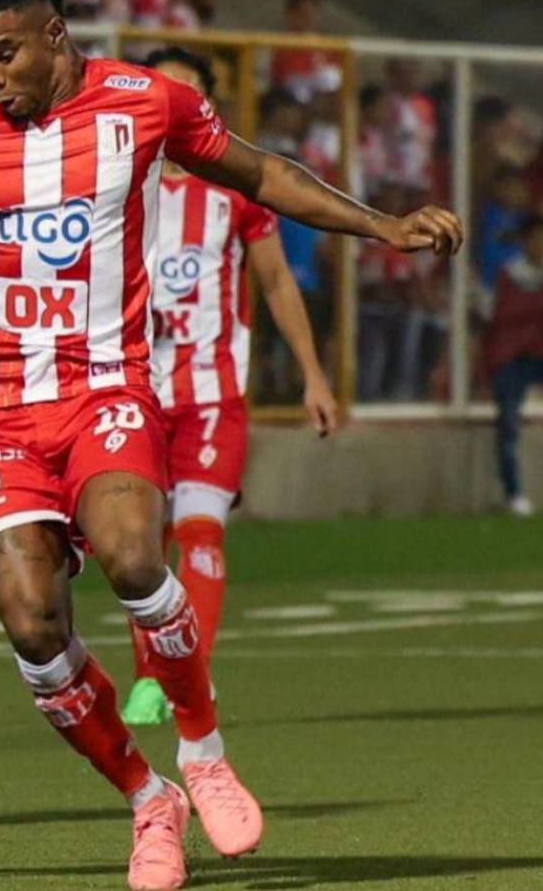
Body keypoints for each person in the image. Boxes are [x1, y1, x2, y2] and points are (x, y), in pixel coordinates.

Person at [0, 0, 461, 889]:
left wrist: (385, 227)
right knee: (34, 624)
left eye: (1, 56)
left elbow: (262, 175)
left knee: (132, 554)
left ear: (53, 35)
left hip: (108, 386)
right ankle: (147, 796)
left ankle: (202, 747)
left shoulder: (144, 103)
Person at [120, 47, 338, 726]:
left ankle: (190, 679)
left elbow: (275, 281)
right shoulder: (116, 182)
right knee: (139, 547)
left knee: (200, 531)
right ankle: (150, 677)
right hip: (131, 394)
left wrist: (312, 375)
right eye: (163, 93)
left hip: (212, 394)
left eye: (188, 95)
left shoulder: (236, 190)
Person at [483, 214, 543, 518]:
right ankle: (515, 494)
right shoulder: (509, 275)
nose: (541, 244)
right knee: (508, 424)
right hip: (511, 358)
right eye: (536, 238)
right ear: (524, 242)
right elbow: (497, 318)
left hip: (542, 355)